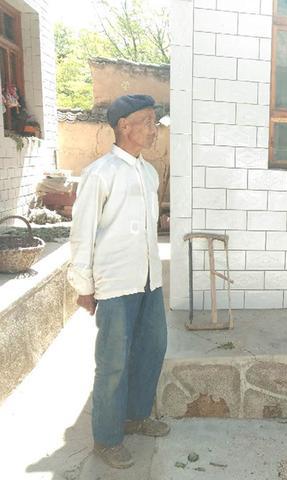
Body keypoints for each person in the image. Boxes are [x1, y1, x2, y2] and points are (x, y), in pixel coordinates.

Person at [68, 94, 170, 469]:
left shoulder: (149, 172)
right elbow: (83, 232)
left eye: (155, 122)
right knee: (112, 363)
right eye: (148, 121)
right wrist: (83, 286)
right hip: (115, 283)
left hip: (149, 281)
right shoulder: (100, 173)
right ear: (124, 126)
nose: (154, 129)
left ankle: (136, 417)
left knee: (151, 350)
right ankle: (107, 438)